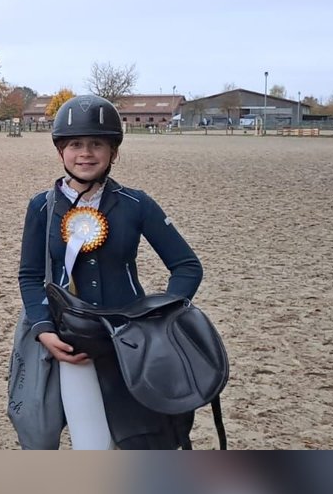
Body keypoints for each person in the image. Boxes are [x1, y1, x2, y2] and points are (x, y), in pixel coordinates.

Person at [17, 95, 203, 449]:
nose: (85, 153)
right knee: (92, 446)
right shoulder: (41, 206)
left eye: (96, 144)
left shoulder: (137, 204)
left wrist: (158, 318)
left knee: (140, 443)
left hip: (132, 342)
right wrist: (43, 329)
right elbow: (29, 275)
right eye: (75, 144)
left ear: (113, 151)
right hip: (73, 345)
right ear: (61, 151)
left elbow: (187, 267)